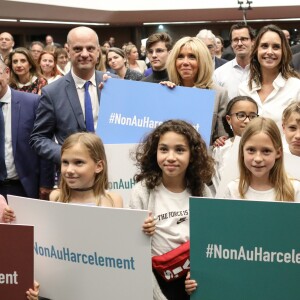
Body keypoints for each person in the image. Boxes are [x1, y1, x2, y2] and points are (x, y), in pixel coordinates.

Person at [130, 119, 214, 300]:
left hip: (191, 278)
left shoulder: (202, 190)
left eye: (180, 150)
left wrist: (200, 276)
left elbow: (209, 239)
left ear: (193, 154)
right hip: (156, 279)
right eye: (164, 149)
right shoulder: (142, 191)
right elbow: (134, 247)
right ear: (155, 152)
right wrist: (140, 230)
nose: (170, 157)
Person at [29, 26, 118, 165]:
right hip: (73, 176)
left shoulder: (115, 83)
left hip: (114, 170)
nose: (84, 54)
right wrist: (67, 156)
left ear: (98, 52)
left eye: (90, 48)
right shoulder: (52, 92)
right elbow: (39, 138)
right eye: (77, 49)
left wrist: (164, 91)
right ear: (68, 52)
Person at [0, 59, 54, 201]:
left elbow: (45, 143)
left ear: (7, 73)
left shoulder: (32, 103)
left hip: (24, 187)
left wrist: (46, 183)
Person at [163, 36, 228, 145]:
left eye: (192, 57)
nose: (185, 62)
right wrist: (160, 95)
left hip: (203, 158)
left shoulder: (219, 94)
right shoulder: (166, 90)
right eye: (180, 57)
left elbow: (222, 135)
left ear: (202, 61)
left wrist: (219, 140)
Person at [223, 117, 300, 201]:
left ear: (278, 153)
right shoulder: (233, 189)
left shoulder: (295, 190)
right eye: (251, 150)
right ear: (242, 151)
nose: (258, 159)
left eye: (266, 151)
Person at [239, 24, 300, 126]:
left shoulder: (296, 87)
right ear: (256, 50)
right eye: (264, 46)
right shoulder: (243, 88)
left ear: (283, 52)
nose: (270, 52)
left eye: (276, 47)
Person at [49, 132, 123, 207]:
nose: (69, 170)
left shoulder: (113, 201)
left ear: (99, 166)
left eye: (78, 162)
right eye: (65, 162)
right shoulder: (56, 197)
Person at [212, 96, 259, 192]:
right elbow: (217, 182)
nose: (247, 121)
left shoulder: (265, 148)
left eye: (252, 116)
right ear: (229, 119)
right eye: (241, 115)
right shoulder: (221, 148)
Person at [214, 23, 255, 99]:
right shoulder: (219, 74)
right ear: (231, 43)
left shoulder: (263, 71)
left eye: (243, 39)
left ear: (253, 41)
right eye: (235, 40)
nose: (239, 43)